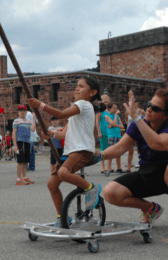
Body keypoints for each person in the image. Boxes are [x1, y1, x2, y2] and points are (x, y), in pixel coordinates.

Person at [101, 89, 168, 237]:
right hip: (146, 173)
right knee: (110, 192)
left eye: (155, 108)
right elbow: (119, 147)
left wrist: (137, 118)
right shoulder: (138, 125)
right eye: (149, 104)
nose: (149, 109)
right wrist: (99, 155)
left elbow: (157, 143)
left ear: (165, 114)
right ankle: (151, 209)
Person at [28, 76, 102, 227]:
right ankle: (62, 217)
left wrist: (40, 105)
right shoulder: (77, 113)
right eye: (76, 85)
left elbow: (61, 114)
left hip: (82, 151)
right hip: (71, 153)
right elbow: (64, 133)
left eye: (81, 86)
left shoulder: (84, 104)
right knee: (52, 184)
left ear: (92, 92)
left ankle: (91, 188)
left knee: (63, 173)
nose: (77, 88)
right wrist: (52, 134)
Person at [12, 105, 36, 185]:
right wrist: (15, 145)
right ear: (18, 112)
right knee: (20, 161)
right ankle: (18, 178)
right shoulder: (16, 121)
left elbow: (33, 129)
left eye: (24, 110)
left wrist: (34, 118)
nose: (22, 112)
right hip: (20, 142)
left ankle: (24, 177)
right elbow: (14, 133)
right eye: (21, 110)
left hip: (27, 142)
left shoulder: (28, 121)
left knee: (25, 161)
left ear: (26, 112)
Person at [104, 103, 124, 174]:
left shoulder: (118, 116)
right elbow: (113, 123)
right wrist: (115, 116)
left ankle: (119, 168)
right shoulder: (107, 116)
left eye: (116, 108)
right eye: (114, 108)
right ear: (109, 108)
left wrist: (115, 125)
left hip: (118, 135)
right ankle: (108, 169)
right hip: (111, 136)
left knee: (118, 153)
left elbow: (122, 126)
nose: (116, 109)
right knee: (111, 152)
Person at [125, 105, 145, 172]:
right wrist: (129, 127)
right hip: (131, 132)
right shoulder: (128, 111)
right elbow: (126, 119)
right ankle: (128, 167)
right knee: (130, 151)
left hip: (139, 131)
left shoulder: (141, 111)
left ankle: (141, 165)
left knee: (140, 150)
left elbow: (144, 120)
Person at [95, 95, 112, 174]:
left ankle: (109, 166)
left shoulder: (111, 109)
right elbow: (97, 121)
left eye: (107, 98)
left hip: (111, 132)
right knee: (103, 149)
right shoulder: (100, 111)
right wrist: (99, 131)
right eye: (104, 99)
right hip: (103, 132)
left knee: (110, 149)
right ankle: (103, 167)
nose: (106, 100)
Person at [26, 105, 38, 171]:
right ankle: (32, 166)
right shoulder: (32, 114)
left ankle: (27, 166)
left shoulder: (27, 114)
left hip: (28, 136)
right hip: (32, 136)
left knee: (27, 152)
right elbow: (36, 124)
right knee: (32, 153)